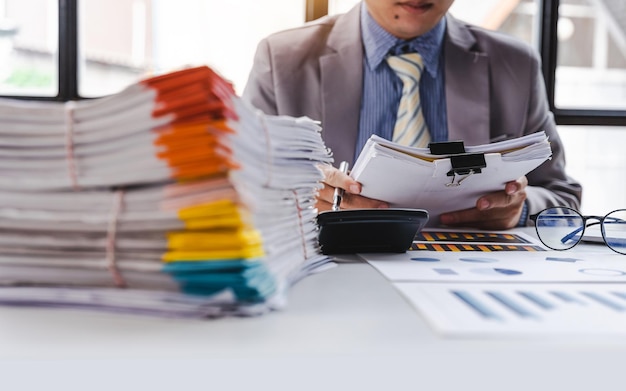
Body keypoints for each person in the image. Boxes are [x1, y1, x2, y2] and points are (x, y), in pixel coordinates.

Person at [242, 0, 582, 230]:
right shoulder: (282, 60)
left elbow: (563, 198)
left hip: (466, 279)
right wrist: (302, 203)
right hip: (329, 284)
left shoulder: (515, 64)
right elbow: (236, 194)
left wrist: (518, 210)